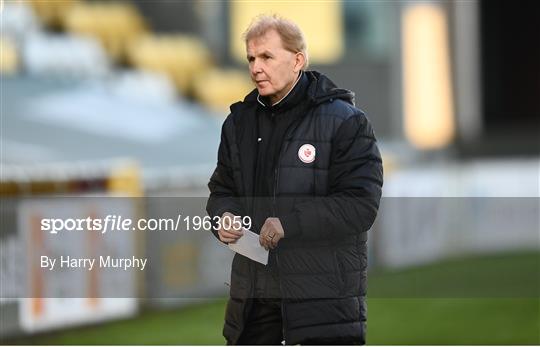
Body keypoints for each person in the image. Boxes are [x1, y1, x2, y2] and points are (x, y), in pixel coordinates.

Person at [206, 14, 383, 345]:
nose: (256, 67)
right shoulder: (237, 124)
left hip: (322, 311)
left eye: (267, 57)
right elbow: (222, 190)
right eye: (251, 58)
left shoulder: (347, 123)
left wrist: (289, 222)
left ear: (298, 60)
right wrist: (223, 216)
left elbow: (361, 205)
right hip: (253, 308)